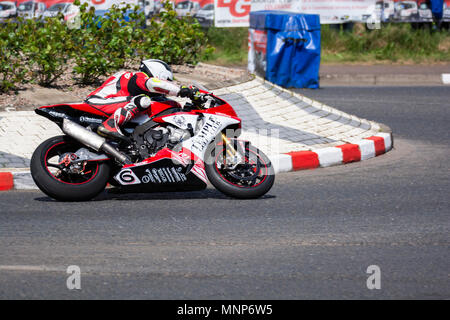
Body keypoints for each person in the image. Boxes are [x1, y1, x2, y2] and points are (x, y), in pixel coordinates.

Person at [85, 59, 200, 140]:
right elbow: (152, 83)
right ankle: (109, 125)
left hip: (113, 106)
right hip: (97, 102)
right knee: (142, 100)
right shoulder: (137, 76)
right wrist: (181, 90)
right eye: (167, 80)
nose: (167, 83)